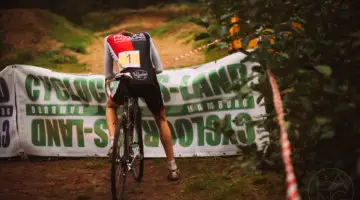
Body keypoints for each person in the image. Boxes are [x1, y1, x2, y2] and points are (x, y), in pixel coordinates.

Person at [104, 30, 180, 181]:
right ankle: (173, 168)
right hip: (149, 82)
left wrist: (115, 75)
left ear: (120, 36)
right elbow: (159, 69)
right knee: (161, 120)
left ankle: (113, 143)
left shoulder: (109, 39)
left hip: (127, 81)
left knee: (111, 107)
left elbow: (107, 74)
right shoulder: (146, 36)